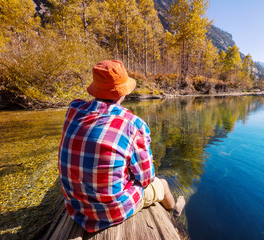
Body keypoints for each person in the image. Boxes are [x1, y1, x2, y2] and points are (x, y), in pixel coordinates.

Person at [58, 60, 185, 233]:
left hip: (74, 205)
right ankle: (174, 211)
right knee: (162, 184)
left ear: (95, 89)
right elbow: (146, 178)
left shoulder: (73, 110)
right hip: (110, 212)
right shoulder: (133, 124)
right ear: (123, 92)